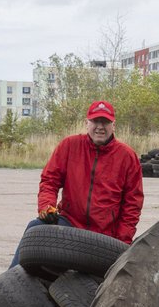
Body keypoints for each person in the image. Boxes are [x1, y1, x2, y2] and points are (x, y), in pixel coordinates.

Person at [10, 100, 143, 267]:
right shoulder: (69, 146)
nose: (100, 127)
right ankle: (6, 286)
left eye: (105, 122)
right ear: (86, 123)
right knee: (35, 227)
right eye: (95, 121)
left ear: (113, 125)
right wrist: (46, 206)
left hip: (106, 235)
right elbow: (49, 181)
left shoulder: (127, 156)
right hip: (69, 223)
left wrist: (121, 241)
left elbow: (132, 204)